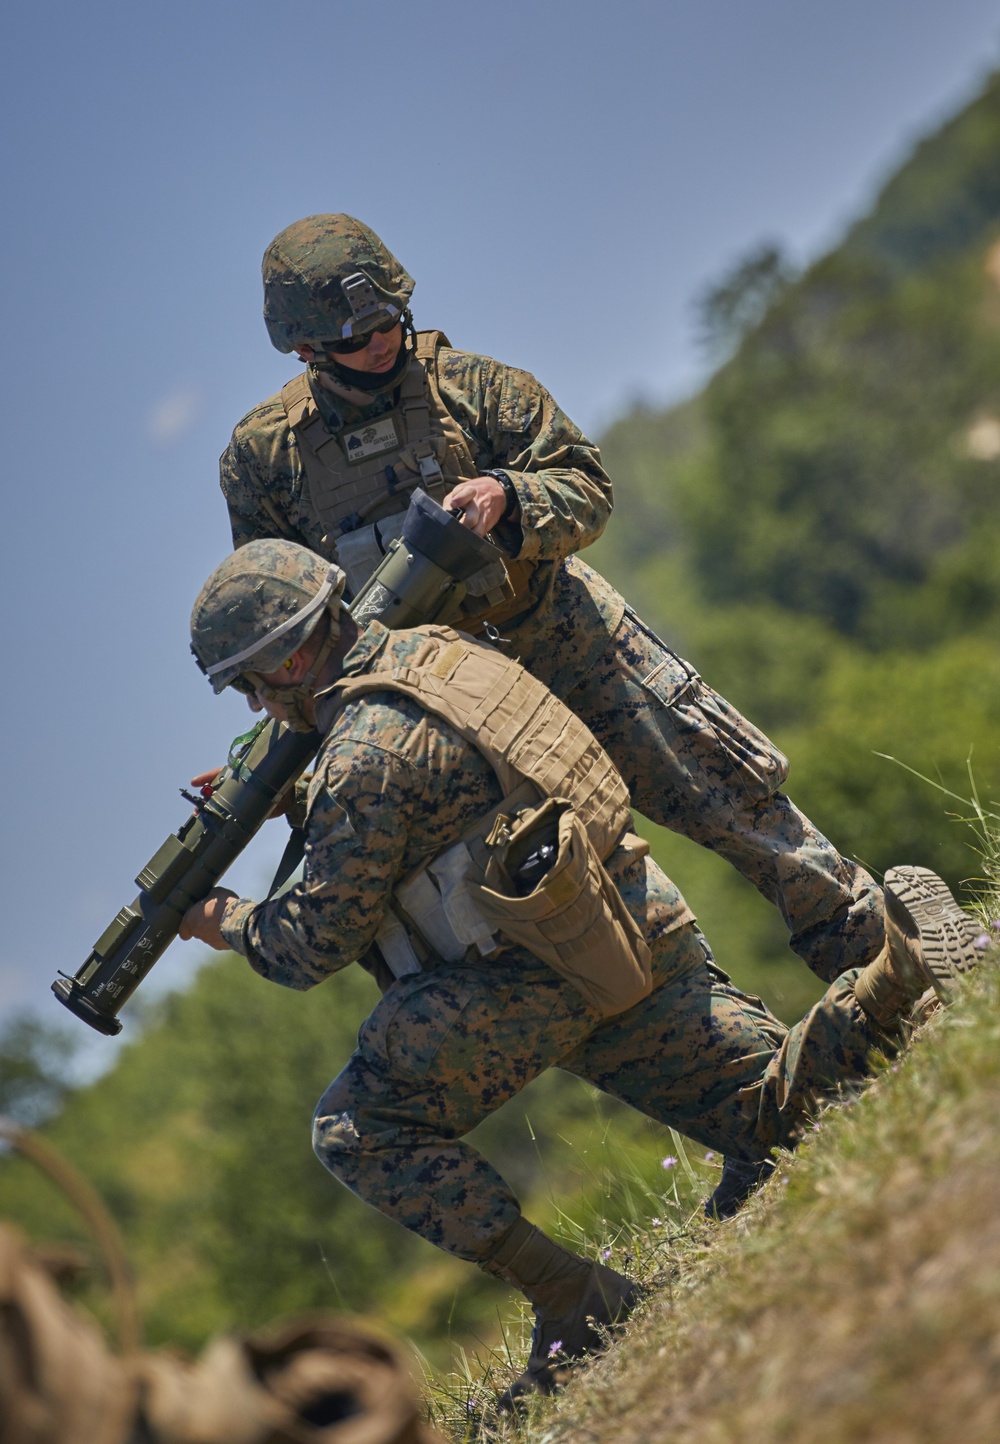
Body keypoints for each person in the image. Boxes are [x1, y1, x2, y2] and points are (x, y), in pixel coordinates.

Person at [180, 539, 979, 1410]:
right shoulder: (445, 652)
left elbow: (309, 944)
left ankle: (572, 1297)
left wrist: (223, 920)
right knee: (767, 1120)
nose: (258, 703)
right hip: (631, 920)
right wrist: (303, 792)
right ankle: (898, 965)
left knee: (351, 1128)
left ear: (296, 654)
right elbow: (441, 795)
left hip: (534, 981)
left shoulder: (359, 759)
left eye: (255, 682)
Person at [219, 215, 887, 1214]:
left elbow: (588, 485)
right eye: (357, 337)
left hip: (570, 651)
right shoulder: (264, 460)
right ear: (307, 347)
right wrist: (270, 764)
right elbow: (283, 619)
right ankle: (741, 1105)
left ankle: (887, 964)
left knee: (727, 800)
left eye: (393, 319)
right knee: (565, 923)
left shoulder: (479, 388)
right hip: (445, 726)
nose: (384, 342)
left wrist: (512, 500)